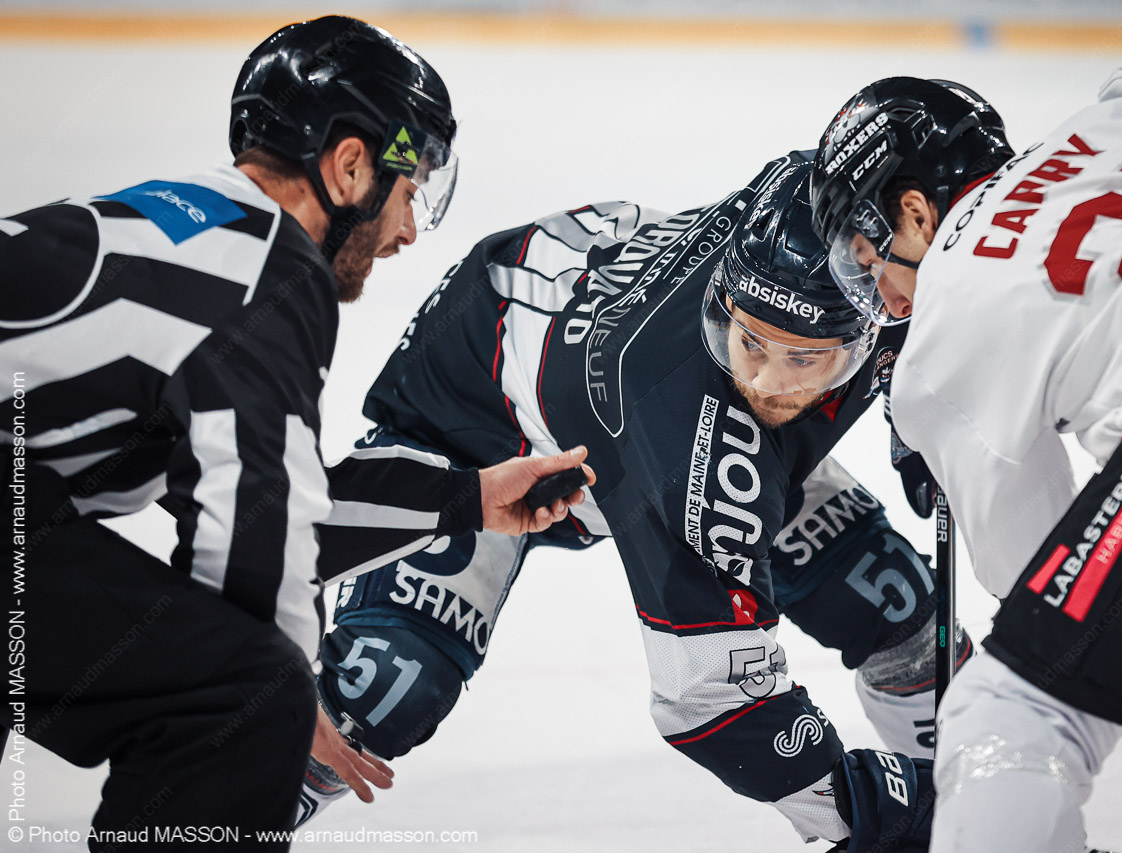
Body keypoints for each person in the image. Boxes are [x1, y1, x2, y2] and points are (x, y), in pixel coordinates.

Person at [0, 16, 590, 848]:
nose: (408, 231)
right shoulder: (263, 270)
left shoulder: (194, 234)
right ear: (350, 166)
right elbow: (255, 536)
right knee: (247, 695)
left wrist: (468, 498)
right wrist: (270, 704)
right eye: (411, 191)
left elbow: (269, 503)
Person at [298, 156, 970, 851]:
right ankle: (236, 812)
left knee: (902, 618)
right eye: (754, 344)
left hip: (613, 369)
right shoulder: (694, 446)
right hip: (476, 428)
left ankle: (976, 799)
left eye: (803, 358)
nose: (770, 383)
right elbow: (710, 700)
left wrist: (929, 399)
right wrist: (879, 813)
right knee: (384, 685)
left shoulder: (866, 251)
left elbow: (935, 290)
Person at [808, 1, 1122, 849]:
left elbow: (1041, 569)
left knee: (1008, 713)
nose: (879, 295)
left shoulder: (939, 332)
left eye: (867, 257)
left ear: (915, 212)